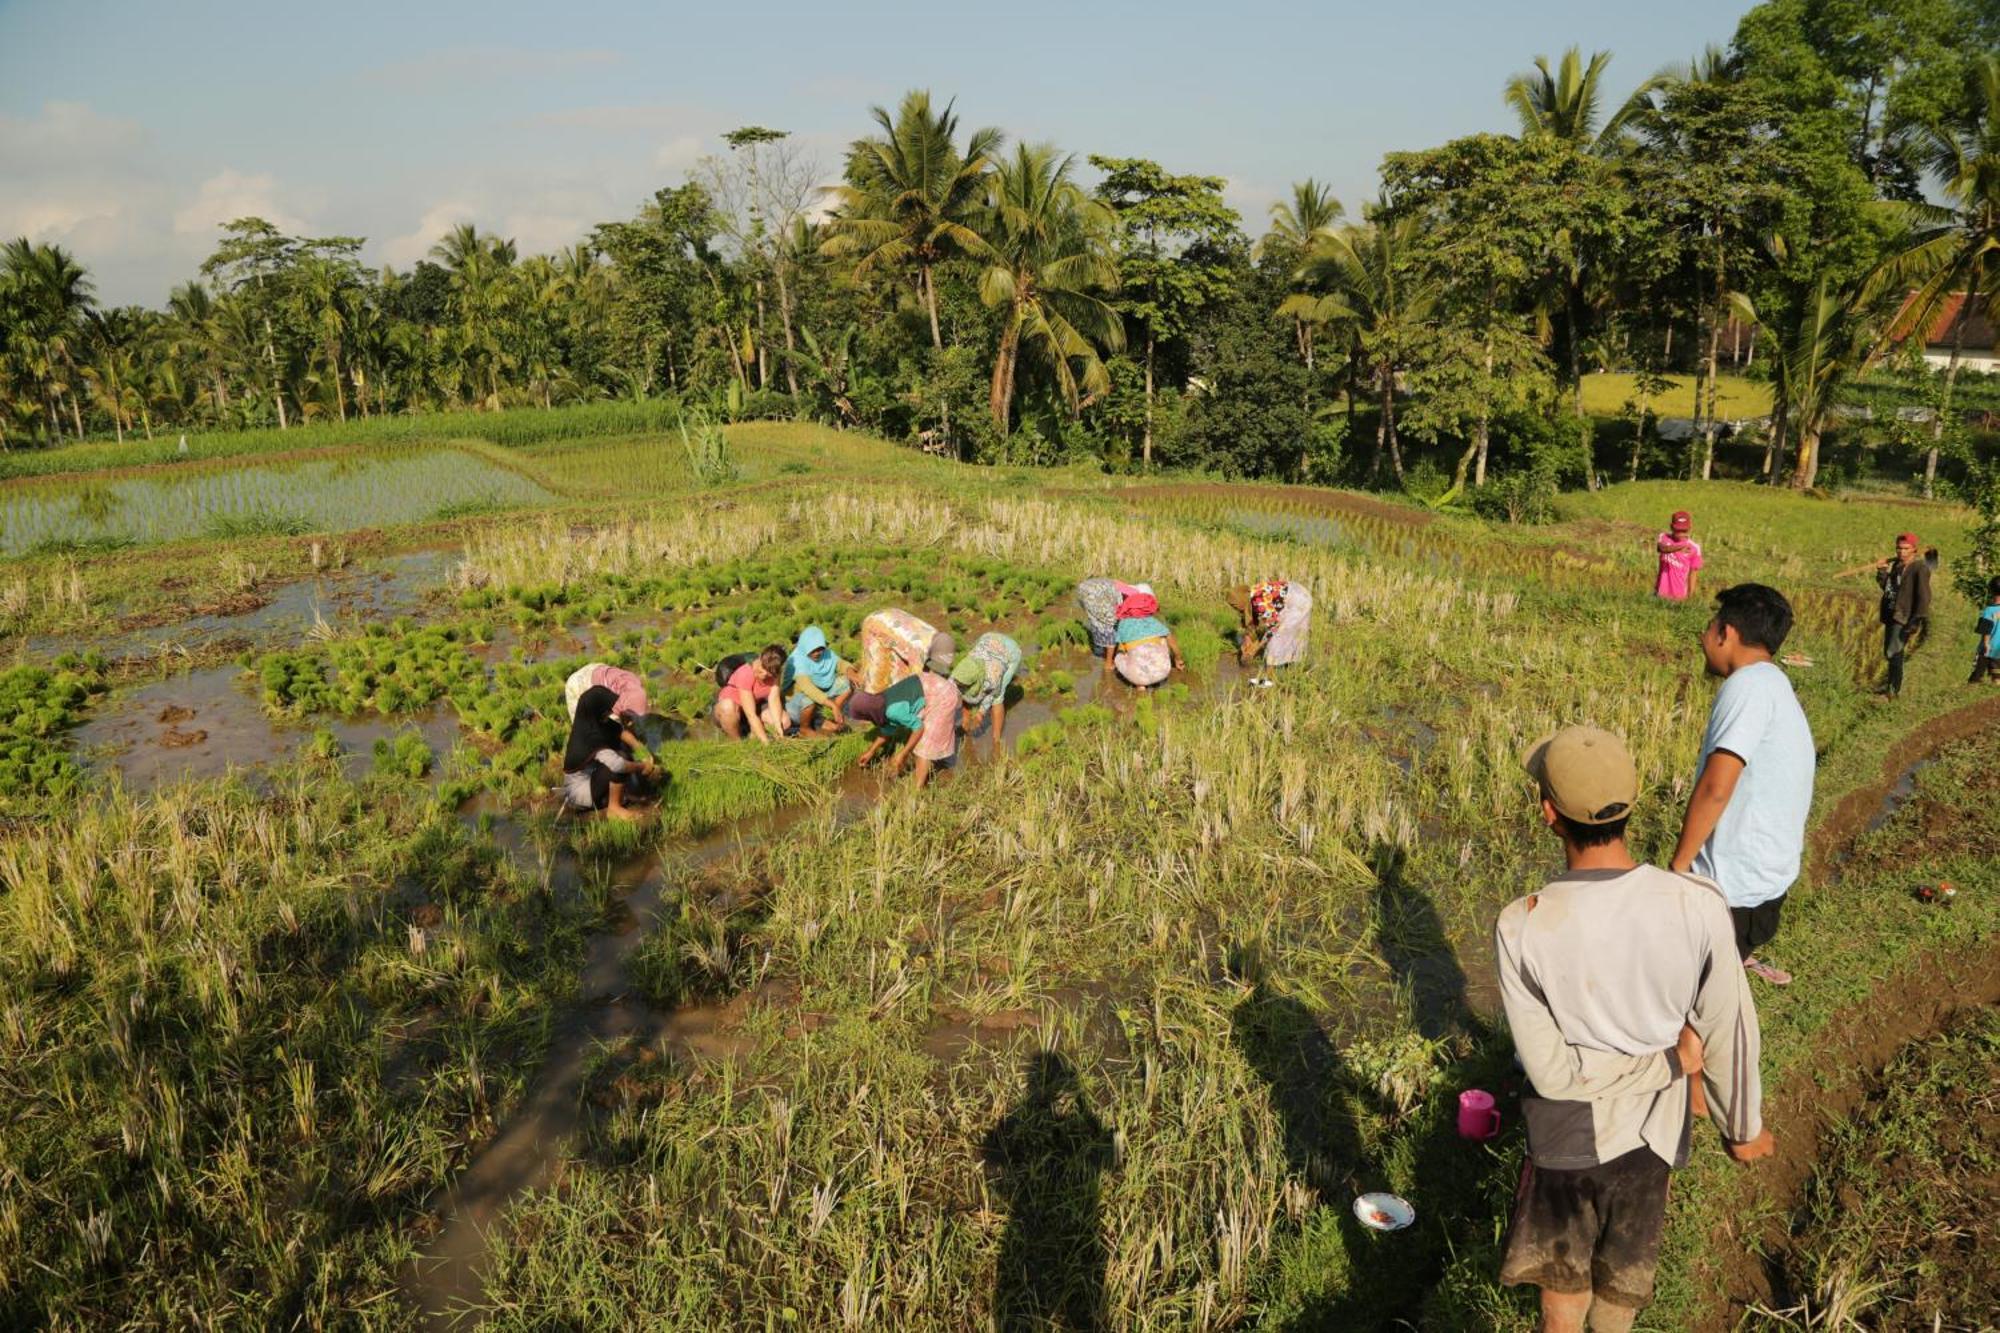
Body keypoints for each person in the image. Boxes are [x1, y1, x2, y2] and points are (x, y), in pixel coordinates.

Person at [1497, 726, 1772, 1333]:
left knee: (1560, 1302)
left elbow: (1551, 1074)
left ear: (1549, 814)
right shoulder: (1697, 903)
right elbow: (1728, 1025)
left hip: (1563, 1140)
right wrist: (1738, 1123)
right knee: (1620, 1295)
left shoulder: (1522, 924)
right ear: (1634, 801)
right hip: (1653, 1135)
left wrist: (1662, 1062)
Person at [1668, 584, 1815, 988]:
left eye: (1709, 625)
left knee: (1690, 994)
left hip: (1736, 889)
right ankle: (1737, 961)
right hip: (1768, 879)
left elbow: (1717, 785)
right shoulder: (1774, 683)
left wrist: (1679, 867)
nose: (1704, 636)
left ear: (1726, 632)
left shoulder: (1746, 686)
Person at [562, 685, 659, 821]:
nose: (610, 712)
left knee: (623, 752)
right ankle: (614, 808)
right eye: (607, 709)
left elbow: (620, 731)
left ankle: (623, 796)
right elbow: (617, 765)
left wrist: (641, 750)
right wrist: (642, 766)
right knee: (620, 759)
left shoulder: (594, 720)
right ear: (597, 709)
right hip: (578, 792)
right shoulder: (590, 734)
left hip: (592, 778)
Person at [852, 671, 960, 788]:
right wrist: (871, 751)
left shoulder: (892, 711)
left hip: (942, 695)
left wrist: (902, 754)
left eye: (863, 717)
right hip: (928, 684)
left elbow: (919, 728)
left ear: (868, 713)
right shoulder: (880, 701)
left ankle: (915, 791)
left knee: (924, 746)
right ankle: (924, 774)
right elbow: (887, 729)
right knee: (922, 742)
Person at [1875, 532, 1932, 698]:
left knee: (1895, 651)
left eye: (1906, 549)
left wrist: (1916, 620)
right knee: (1889, 651)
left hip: (1904, 616)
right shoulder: (1898, 566)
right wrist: (1882, 572)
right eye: (1899, 549)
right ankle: (1890, 688)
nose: (1901, 552)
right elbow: (1889, 589)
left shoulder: (1920, 568)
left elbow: (1924, 596)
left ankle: (1893, 691)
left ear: (1914, 550)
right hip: (1892, 614)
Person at [952, 631, 1022, 761]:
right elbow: (955, 687)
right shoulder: (963, 669)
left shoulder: (992, 677)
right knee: (964, 689)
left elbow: (990, 695)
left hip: (1010, 651)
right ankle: (965, 723)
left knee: (997, 697)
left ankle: (996, 740)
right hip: (988, 638)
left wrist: (980, 714)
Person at [1230, 579, 1312, 687]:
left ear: (1241, 602)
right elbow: (1252, 620)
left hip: (1299, 601)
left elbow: (1273, 627)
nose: (1236, 609)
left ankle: (1269, 682)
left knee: (1276, 639)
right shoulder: (1252, 594)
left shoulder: (1258, 601)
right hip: (1295, 593)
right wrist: (1248, 640)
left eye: (1236, 607)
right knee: (1287, 635)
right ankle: (1290, 669)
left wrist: (1257, 647)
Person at [858, 608, 954, 694]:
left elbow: (934, 672)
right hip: (876, 625)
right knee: (878, 671)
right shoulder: (918, 648)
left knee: (901, 671)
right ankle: (870, 702)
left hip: (896, 625)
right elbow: (915, 681)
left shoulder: (940, 639)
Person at [785, 625, 855, 735]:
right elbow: (809, 689)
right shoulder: (797, 661)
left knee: (848, 682)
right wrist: (833, 706)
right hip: (796, 704)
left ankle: (828, 715)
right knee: (809, 699)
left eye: (820, 649)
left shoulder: (826, 653)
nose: (818, 653)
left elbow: (840, 663)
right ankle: (805, 728)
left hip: (819, 698)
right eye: (813, 650)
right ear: (805, 647)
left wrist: (850, 671)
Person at [714, 644, 788, 744]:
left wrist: (778, 726)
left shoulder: (775, 672)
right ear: (760, 659)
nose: (765, 674)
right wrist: (766, 742)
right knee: (728, 707)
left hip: (754, 706)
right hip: (733, 711)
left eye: (770, 672)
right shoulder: (746, 673)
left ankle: (753, 736)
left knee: (785, 722)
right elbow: (751, 714)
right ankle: (737, 744)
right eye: (762, 669)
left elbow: (774, 699)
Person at [1108, 605, 1184, 689]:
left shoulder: (1123, 623)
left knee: (1120, 652)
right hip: (1164, 671)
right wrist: (1178, 659)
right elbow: (1172, 642)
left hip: (1137, 678)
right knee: (1163, 638)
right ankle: (1158, 679)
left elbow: (1117, 646)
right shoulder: (1153, 621)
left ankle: (1140, 686)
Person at [563, 662, 649, 728]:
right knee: (583, 728)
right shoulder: (615, 701)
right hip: (578, 684)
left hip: (597, 670)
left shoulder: (638, 690)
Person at [1654, 511, 1703, 602]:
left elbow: (1693, 574)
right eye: (1678, 530)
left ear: (1689, 528)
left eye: (1684, 530)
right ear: (1671, 527)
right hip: (1659, 595)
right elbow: (1661, 548)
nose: (1681, 533)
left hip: (1679, 599)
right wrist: (1679, 547)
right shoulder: (1664, 537)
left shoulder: (1695, 548)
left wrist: (1689, 598)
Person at [1075, 577, 1125, 655]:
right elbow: (1116, 615)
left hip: (1082, 590)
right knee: (1109, 626)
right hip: (1092, 595)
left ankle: (1099, 646)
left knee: (1095, 620)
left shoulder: (1117, 585)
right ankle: (1108, 661)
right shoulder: (1120, 595)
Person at [1972, 576, 2000, 684]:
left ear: (1991, 590)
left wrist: (1985, 643)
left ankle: (1971, 690)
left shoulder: (1989, 611)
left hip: (1987, 650)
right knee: (1997, 677)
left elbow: (1986, 630)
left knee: (1976, 676)